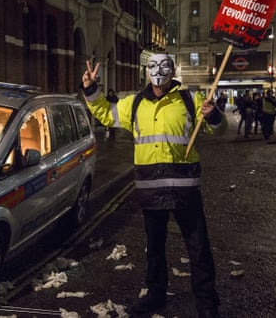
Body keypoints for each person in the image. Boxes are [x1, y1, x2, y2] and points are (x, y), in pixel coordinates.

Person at [80, 53, 226, 318]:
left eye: (164, 66)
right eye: (154, 67)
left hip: (185, 189)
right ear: (147, 71)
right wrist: (90, 89)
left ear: (172, 71)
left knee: (199, 248)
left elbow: (217, 130)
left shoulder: (188, 100)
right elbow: (104, 113)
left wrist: (213, 115)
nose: (159, 71)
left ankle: (207, 303)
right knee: (155, 249)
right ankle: (156, 294)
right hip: (151, 190)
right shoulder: (134, 104)